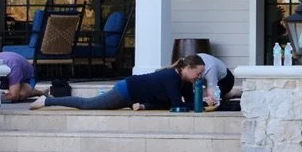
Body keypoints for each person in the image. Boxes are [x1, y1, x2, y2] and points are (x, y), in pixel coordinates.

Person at [30, 58, 194, 111]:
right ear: (186, 68)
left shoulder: (184, 81)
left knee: (93, 103)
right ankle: (47, 100)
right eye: (198, 73)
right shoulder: (172, 77)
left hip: (133, 95)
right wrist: (198, 105)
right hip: (126, 91)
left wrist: (203, 103)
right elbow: (177, 105)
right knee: (88, 104)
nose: (200, 77)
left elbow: (187, 102)